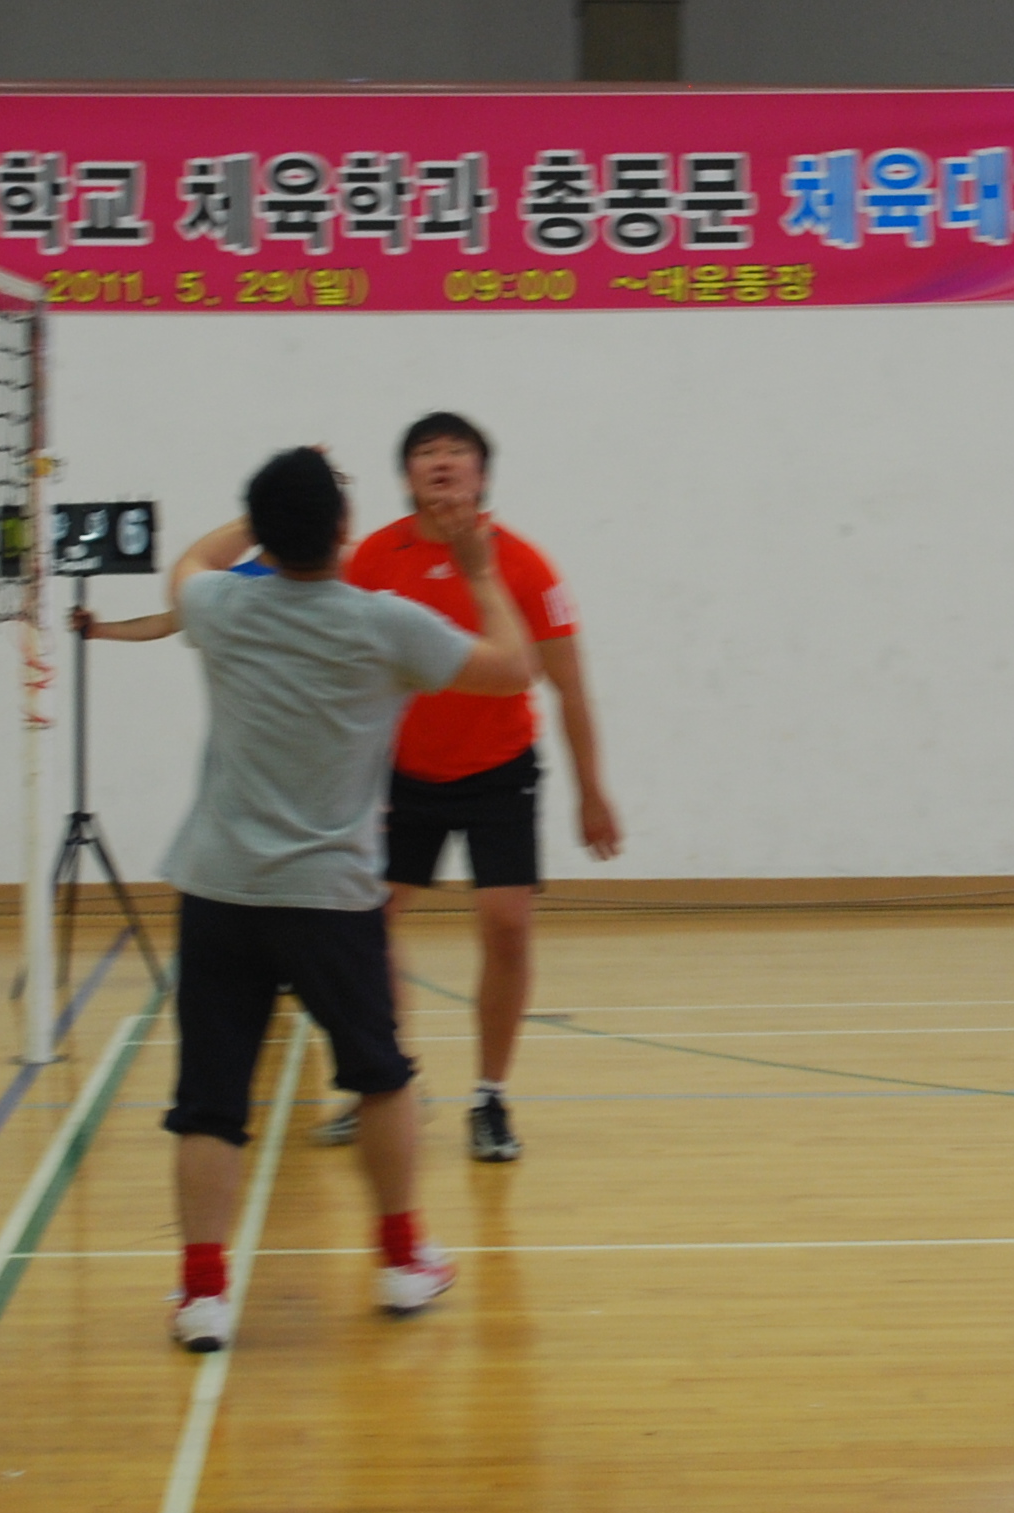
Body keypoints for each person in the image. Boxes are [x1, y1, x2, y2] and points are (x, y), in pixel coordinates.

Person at [89, 446, 538, 1353]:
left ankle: (203, 1294)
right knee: (381, 1078)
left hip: (220, 889)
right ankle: (401, 1260)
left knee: (210, 1100)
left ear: (265, 533)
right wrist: (482, 571)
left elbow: (195, 560)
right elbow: (511, 668)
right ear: (343, 533)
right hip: (330, 900)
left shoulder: (220, 607)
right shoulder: (387, 624)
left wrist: (260, 516)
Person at [325, 412, 623, 1163]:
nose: (442, 462)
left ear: (482, 473)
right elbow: (341, 676)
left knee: (507, 924)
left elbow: (570, 686)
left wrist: (592, 791)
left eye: (457, 451)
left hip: (499, 772)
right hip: (403, 776)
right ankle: (387, 1080)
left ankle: (490, 1096)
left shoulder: (523, 564)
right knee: (365, 926)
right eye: (426, 452)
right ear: (407, 476)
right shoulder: (374, 559)